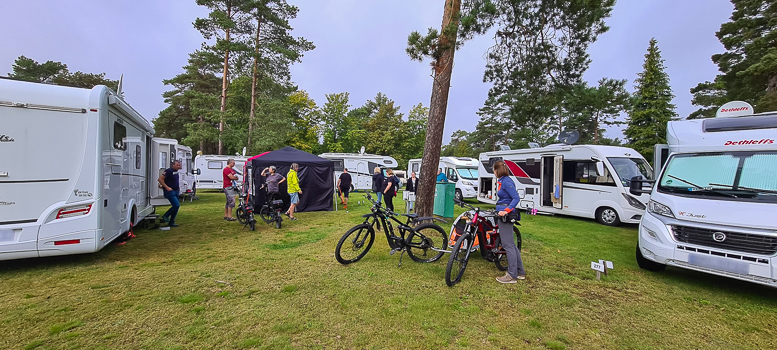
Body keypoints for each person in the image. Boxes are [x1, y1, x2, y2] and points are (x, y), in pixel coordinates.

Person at [493, 160, 526, 283]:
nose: (493, 172)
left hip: (506, 216)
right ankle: (520, 272)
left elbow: (516, 198)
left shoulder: (507, 181)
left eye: (494, 170)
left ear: (497, 170)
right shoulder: (502, 181)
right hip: (502, 214)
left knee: (508, 245)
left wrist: (506, 210)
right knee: (511, 244)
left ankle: (512, 275)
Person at [158, 160, 182, 227]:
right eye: (177, 165)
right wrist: (167, 187)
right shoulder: (169, 171)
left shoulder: (176, 172)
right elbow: (160, 179)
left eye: (179, 165)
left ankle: (172, 222)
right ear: (173, 165)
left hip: (176, 191)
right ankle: (165, 216)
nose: (178, 166)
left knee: (177, 207)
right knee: (176, 205)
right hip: (170, 191)